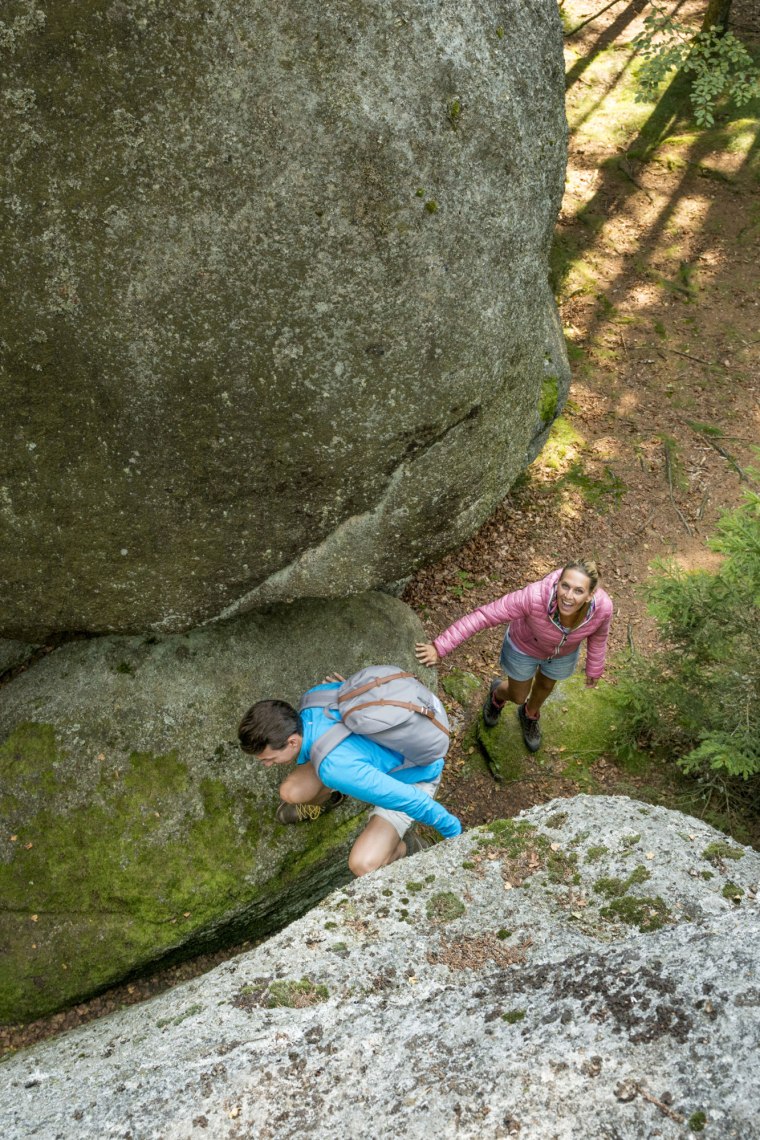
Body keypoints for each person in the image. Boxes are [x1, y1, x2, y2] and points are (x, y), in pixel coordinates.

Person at [238, 673, 462, 878]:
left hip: (415, 775)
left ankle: (407, 848)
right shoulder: (313, 698)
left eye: (268, 758)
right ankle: (334, 796)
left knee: (363, 864)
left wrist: (456, 836)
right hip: (373, 751)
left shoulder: (335, 768)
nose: (267, 765)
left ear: (292, 742)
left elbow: (412, 800)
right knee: (290, 792)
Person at [415, 559, 612, 752]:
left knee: (545, 686)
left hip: (562, 654)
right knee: (518, 695)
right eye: (565, 586)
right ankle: (497, 694)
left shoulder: (602, 609)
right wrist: (439, 646)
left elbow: (599, 635)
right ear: (558, 582)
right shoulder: (534, 597)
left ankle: (530, 714)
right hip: (524, 647)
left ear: (589, 595)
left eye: (578, 590)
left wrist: (594, 667)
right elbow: (484, 616)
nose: (568, 596)